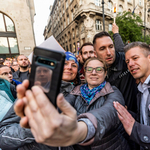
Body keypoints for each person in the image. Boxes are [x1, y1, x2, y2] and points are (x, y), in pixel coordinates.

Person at [14, 57, 131, 150]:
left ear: (105, 73)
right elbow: (63, 106)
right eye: (89, 69)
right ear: (84, 73)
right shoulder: (75, 91)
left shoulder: (113, 91)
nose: (93, 72)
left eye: (99, 69)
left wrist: (82, 128)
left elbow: (108, 113)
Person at [0, 52, 79, 150]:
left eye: (74, 65)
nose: (69, 67)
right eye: (65, 63)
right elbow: (3, 135)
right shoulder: (35, 91)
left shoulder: (80, 95)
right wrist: (35, 128)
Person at [114, 42, 150, 150]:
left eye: (135, 58)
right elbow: (144, 120)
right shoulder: (141, 90)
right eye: (127, 61)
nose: (130, 64)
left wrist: (134, 129)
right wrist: (127, 114)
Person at [93, 31, 138, 112]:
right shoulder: (94, 71)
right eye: (102, 49)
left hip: (135, 117)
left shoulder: (127, 61)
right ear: (95, 53)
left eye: (111, 46)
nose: (109, 53)